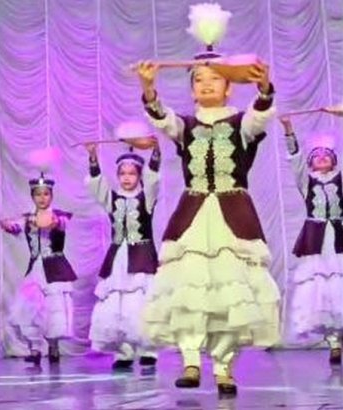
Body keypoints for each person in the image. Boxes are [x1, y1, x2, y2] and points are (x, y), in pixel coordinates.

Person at [136, 3, 281, 396]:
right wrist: (148, 88)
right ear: (192, 88)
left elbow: (260, 115)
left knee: (230, 294)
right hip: (193, 216)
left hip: (233, 217)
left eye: (215, 78)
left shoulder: (240, 123)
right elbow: (162, 118)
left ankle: (223, 368)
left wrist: (264, 88)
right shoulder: (186, 125)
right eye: (198, 79)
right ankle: (189, 360)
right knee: (189, 288)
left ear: (229, 86)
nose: (205, 85)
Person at [85, 141, 161, 372]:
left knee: (141, 301)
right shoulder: (113, 199)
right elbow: (97, 185)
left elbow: (153, 180)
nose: (127, 178)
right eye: (122, 174)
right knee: (117, 304)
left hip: (142, 258)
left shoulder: (146, 198)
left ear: (139, 176)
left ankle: (148, 350)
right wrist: (93, 157)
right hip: (118, 258)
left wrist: (155, 152)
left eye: (132, 173)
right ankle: (124, 351)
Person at [281, 116, 343, 365]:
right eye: (317, 156)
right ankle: (334, 343)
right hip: (316, 242)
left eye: (327, 155)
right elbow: (294, 159)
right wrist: (288, 129)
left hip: (339, 239)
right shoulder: (306, 181)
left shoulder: (340, 179)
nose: (322, 158)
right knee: (321, 291)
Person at [0, 170, 77, 367]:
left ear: (51, 195)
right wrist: (7, 225)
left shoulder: (60, 216)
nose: (42, 198)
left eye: (46, 194)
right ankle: (34, 349)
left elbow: (51, 223)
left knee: (53, 309)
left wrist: (30, 220)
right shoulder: (27, 218)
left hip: (56, 269)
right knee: (29, 308)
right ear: (32, 196)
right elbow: (16, 228)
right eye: (38, 194)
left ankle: (53, 346)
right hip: (36, 269)